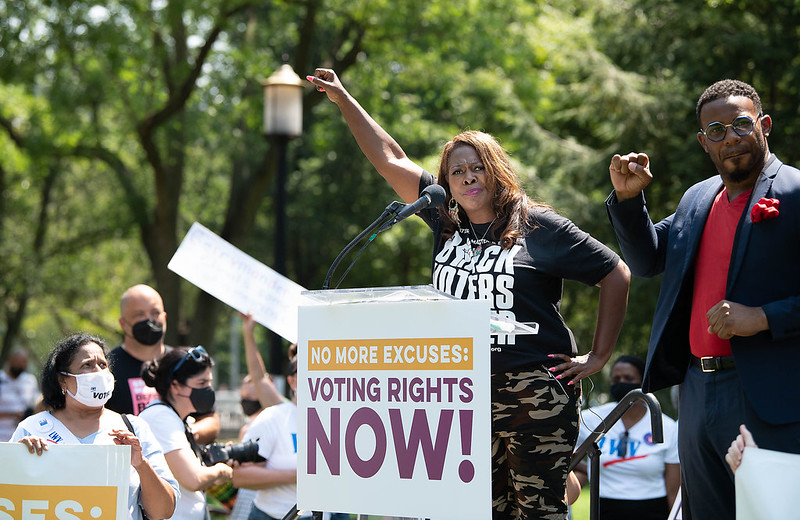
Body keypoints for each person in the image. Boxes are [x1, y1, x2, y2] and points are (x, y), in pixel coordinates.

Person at [306, 69, 631, 520]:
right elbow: (389, 158)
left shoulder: (538, 227)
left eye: (477, 167)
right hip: (463, 392)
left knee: (539, 510)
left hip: (533, 392)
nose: (467, 177)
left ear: (496, 171)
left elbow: (615, 274)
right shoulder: (444, 221)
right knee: (484, 511)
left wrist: (598, 356)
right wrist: (343, 100)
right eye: (456, 171)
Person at [605, 79, 800, 519]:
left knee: (767, 511)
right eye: (716, 131)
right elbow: (649, 259)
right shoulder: (697, 197)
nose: (729, 137)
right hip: (695, 390)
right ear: (704, 143)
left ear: (765, 125)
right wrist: (628, 201)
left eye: (741, 124)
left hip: (766, 394)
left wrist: (763, 317)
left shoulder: (795, 193)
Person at [11, 333, 178, 520]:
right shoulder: (32, 429)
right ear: (62, 379)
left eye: (103, 365)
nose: (98, 372)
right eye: (87, 365)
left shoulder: (133, 428)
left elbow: (163, 511)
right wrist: (18, 459)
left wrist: (141, 465)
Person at [106, 283, 220, 444]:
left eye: (155, 312)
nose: (149, 320)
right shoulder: (106, 368)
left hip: (180, 464)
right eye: (139, 315)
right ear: (123, 324)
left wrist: (183, 435)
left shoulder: (184, 361)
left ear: (164, 317)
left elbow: (211, 419)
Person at [574, 355, 680, 519]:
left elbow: (673, 491)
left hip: (653, 510)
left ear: (643, 382)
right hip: (605, 509)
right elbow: (562, 450)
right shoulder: (592, 419)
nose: (621, 382)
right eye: (616, 379)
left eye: (628, 378)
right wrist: (588, 470)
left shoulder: (667, 427)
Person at [138, 346, 233, 519]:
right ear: (175, 385)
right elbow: (193, 479)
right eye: (201, 383)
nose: (208, 389)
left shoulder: (179, 419)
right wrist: (221, 470)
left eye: (209, 382)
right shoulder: (161, 417)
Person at [233, 348, 303, 520]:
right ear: (292, 381)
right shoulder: (273, 417)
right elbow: (240, 476)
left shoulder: (337, 421)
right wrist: (299, 476)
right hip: (273, 515)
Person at [0, 349, 40, 441]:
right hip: (2, 435)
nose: (22, 365)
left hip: (23, 436)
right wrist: (12, 415)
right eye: (18, 362)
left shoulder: (30, 380)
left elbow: (36, 405)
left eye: (24, 362)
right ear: (9, 360)